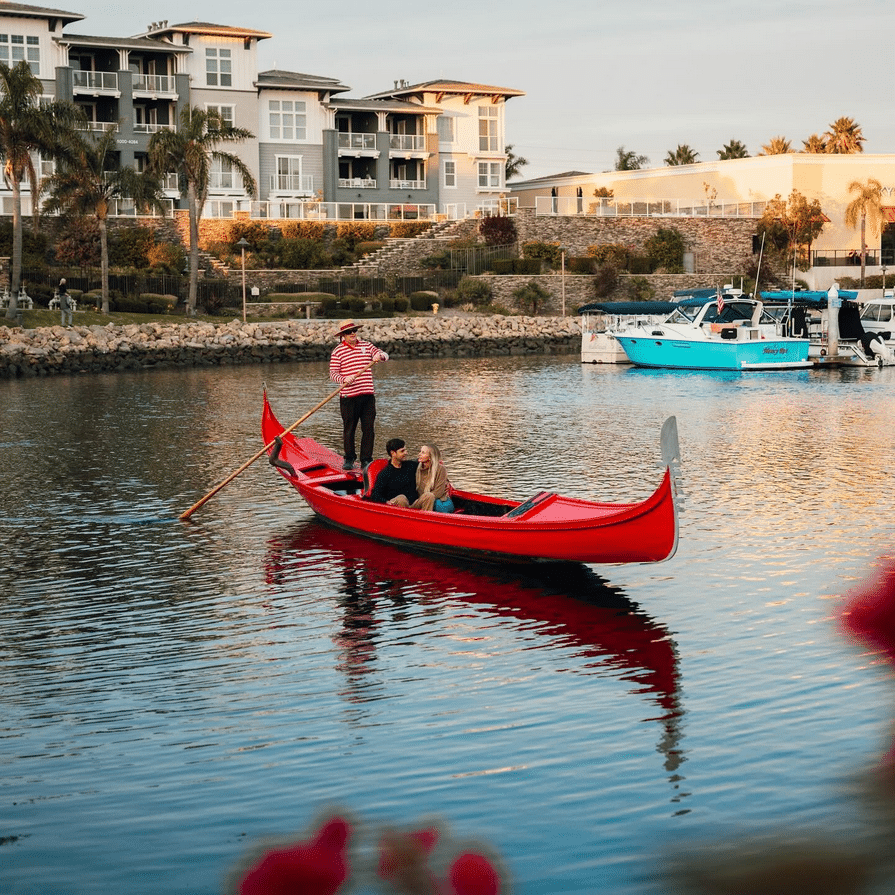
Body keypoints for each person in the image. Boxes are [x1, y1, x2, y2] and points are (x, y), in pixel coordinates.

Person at [329, 320, 389, 470]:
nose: (353, 334)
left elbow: (384, 355)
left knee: (368, 429)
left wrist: (379, 356)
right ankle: (349, 459)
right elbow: (333, 374)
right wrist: (344, 379)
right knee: (349, 428)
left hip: (367, 396)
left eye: (354, 330)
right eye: (349, 332)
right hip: (349, 397)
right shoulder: (338, 351)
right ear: (343, 335)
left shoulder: (367, 346)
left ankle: (366, 460)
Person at [367, 437, 419, 506]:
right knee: (402, 498)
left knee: (428, 496)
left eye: (406, 450)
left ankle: (427, 515)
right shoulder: (385, 473)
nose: (406, 453)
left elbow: (425, 464)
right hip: (395, 506)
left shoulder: (411, 466)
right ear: (393, 453)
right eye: (402, 451)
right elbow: (375, 495)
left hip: (414, 505)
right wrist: (386, 502)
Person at [412, 444, 454, 513]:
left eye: (423, 453)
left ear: (430, 457)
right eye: (420, 452)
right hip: (421, 501)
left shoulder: (440, 469)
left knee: (430, 497)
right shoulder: (416, 467)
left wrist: (426, 498)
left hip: (438, 502)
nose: (419, 454)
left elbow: (439, 492)